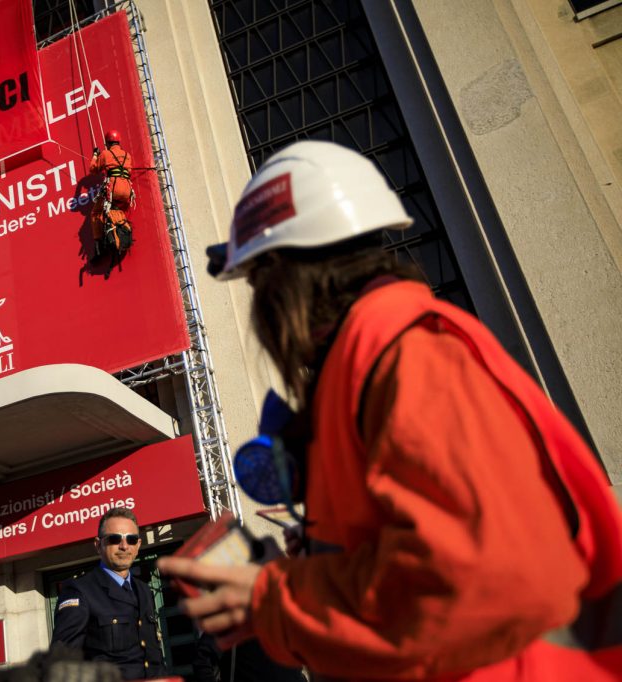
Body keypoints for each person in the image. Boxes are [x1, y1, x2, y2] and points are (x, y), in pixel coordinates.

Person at [158, 141, 622, 681]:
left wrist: (278, 599)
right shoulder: (369, 359)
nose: (260, 312)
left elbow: (476, 580)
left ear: (285, 276)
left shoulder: (405, 354)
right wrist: (317, 566)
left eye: (258, 283)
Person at [50, 507, 166, 679]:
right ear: (98, 545)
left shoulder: (143, 590)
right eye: (114, 538)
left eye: (132, 539)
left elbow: (152, 656)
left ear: (138, 545)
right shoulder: (80, 591)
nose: (124, 546)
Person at [89, 130, 134, 263]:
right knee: (117, 211)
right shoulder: (127, 155)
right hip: (127, 190)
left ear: (107, 143)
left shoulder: (106, 153)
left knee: (96, 212)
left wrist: (95, 155)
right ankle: (121, 234)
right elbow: (129, 171)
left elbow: (93, 169)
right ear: (118, 141)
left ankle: (99, 248)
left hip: (113, 189)